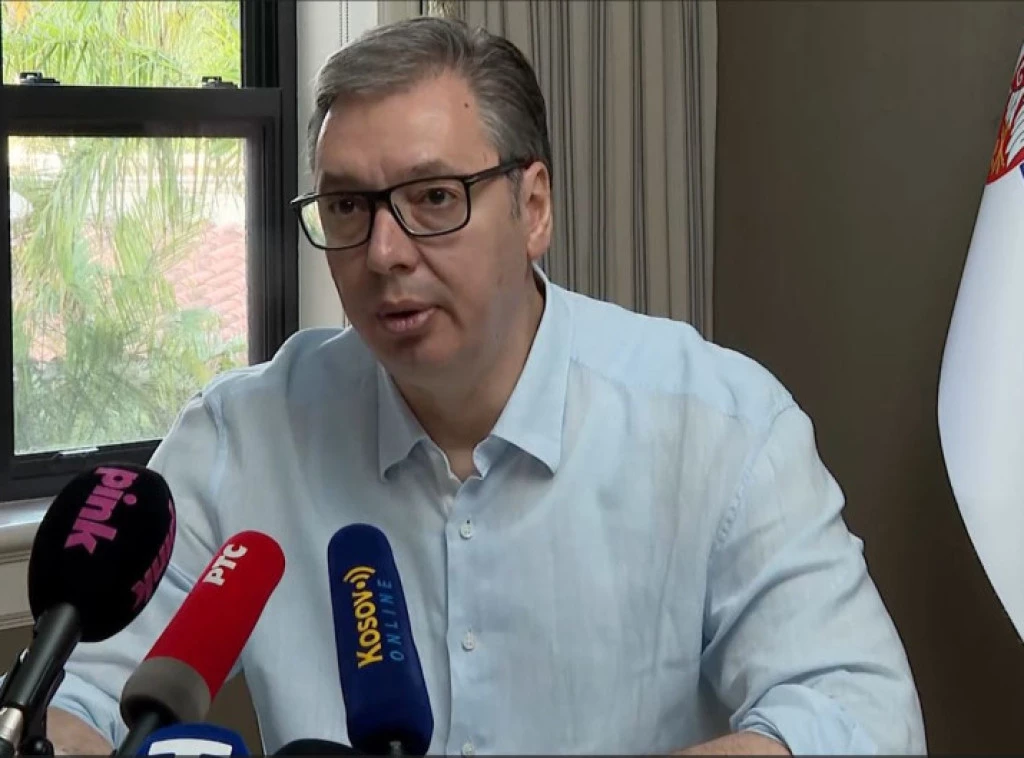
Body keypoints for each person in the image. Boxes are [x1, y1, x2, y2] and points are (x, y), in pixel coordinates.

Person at [39, 15, 925, 756]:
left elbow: (862, 715)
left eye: (434, 197)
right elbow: (81, 691)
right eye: (347, 207)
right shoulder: (244, 434)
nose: (384, 253)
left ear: (532, 208)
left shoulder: (720, 425)